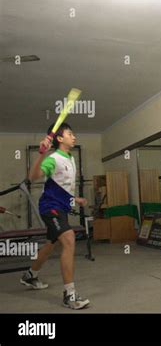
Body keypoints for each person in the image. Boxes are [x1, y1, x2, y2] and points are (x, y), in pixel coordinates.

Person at [20, 123, 90, 309]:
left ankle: (30, 275)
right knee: (68, 238)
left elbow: (61, 187)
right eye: (70, 134)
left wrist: (75, 199)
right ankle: (70, 295)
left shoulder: (70, 159)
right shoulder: (54, 159)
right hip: (49, 207)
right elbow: (33, 176)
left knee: (50, 244)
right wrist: (42, 153)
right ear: (59, 138)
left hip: (62, 208)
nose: (74, 137)